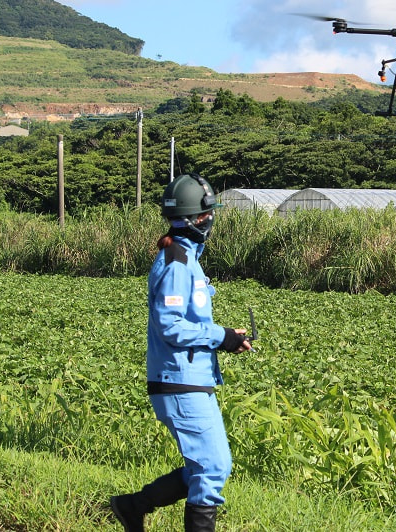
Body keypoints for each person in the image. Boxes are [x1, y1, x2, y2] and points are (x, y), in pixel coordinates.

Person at [111, 173, 252, 532]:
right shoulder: (176, 261)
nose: (212, 219)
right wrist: (220, 336)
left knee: (201, 467)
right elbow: (170, 326)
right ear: (198, 219)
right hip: (179, 381)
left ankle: (131, 507)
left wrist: (227, 338)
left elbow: (186, 322)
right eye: (209, 214)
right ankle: (132, 506)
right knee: (213, 467)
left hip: (189, 378)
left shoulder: (186, 258)